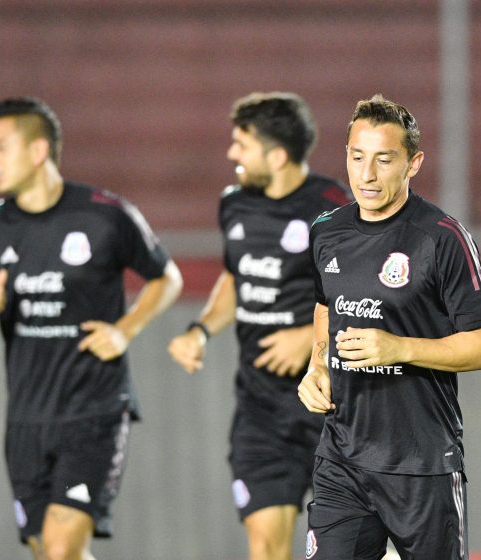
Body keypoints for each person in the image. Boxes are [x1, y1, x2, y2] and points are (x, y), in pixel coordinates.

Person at [0, 97, 182, 560]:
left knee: (59, 550)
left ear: (38, 151)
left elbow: (166, 277)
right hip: (26, 420)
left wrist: (126, 329)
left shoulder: (103, 214)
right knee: (48, 551)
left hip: (93, 410)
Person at [297, 95, 481, 559]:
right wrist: (317, 368)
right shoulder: (326, 231)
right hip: (343, 457)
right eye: (356, 157)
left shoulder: (442, 237)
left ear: (413, 164)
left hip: (422, 463)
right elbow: (324, 305)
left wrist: (399, 348)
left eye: (383, 159)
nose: (366, 175)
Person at [167, 92, 350, 560]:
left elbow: (362, 293)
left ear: (278, 155)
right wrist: (201, 330)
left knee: (350, 546)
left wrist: (310, 342)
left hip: (329, 407)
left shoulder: (332, 209)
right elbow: (235, 278)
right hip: (260, 411)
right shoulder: (234, 205)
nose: (231, 155)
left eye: (241, 145)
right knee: (266, 547)